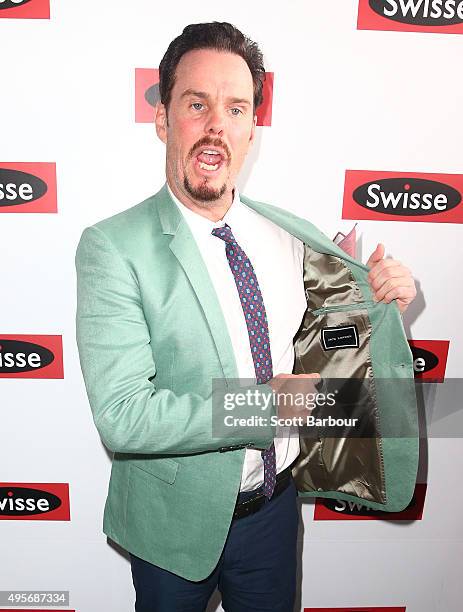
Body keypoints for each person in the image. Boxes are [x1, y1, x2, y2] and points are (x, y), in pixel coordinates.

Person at [75, 22, 417, 612]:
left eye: (235, 108)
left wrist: (385, 298)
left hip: (274, 515)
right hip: (170, 527)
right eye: (196, 103)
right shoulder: (112, 247)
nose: (216, 125)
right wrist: (263, 404)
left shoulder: (288, 237)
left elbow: (328, 349)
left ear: (252, 127)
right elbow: (123, 416)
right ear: (162, 118)